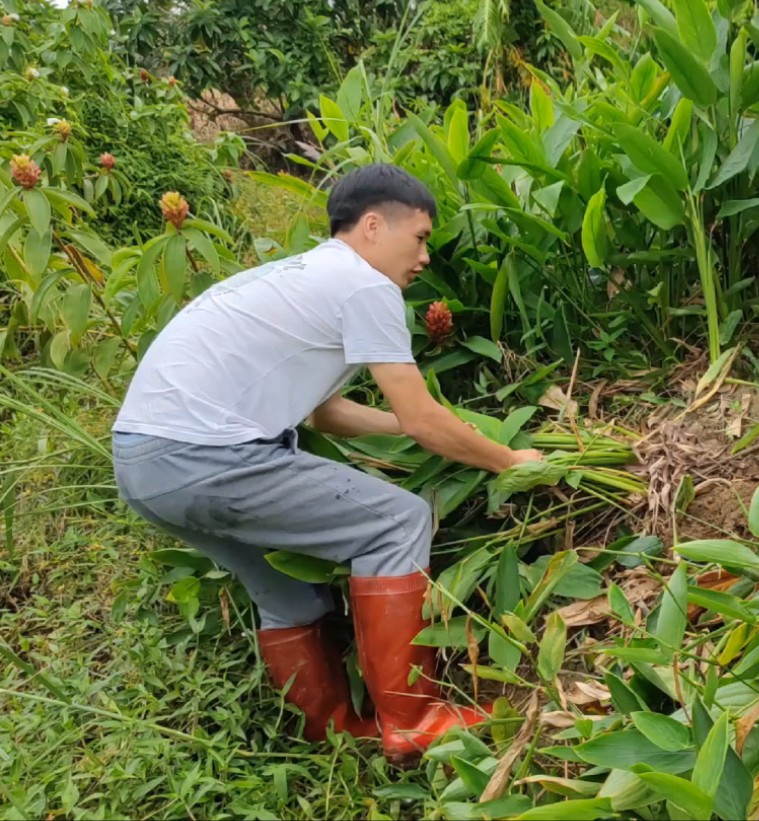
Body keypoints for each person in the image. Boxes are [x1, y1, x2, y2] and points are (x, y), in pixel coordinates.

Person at [110, 163, 541, 765]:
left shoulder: (300, 277)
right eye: (418, 238)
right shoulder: (365, 286)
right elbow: (419, 416)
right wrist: (509, 460)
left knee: (286, 589)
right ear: (371, 226)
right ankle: (412, 722)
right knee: (396, 523)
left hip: (143, 466)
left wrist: (423, 429)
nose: (423, 258)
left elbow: (326, 415)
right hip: (205, 456)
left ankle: (333, 730)